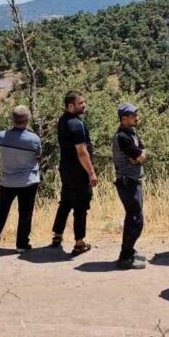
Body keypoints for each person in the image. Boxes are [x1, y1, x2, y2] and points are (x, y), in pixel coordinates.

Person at [0, 105, 42, 253]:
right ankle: (22, 244)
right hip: (27, 180)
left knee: (1, 211)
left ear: (12, 118)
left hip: (7, 180)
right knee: (25, 213)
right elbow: (38, 155)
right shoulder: (34, 139)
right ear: (28, 119)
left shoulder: (2, 136)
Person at [51, 91, 99, 256]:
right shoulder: (76, 124)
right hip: (78, 172)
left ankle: (57, 236)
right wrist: (91, 172)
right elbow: (82, 151)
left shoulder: (63, 120)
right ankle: (79, 243)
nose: (84, 105)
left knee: (65, 201)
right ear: (70, 105)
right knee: (80, 206)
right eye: (80, 103)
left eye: (84, 102)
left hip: (66, 169)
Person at [113, 102, 147, 269]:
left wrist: (138, 156)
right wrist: (138, 156)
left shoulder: (131, 132)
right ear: (124, 118)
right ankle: (125, 257)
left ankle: (129, 251)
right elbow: (138, 156)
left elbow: (142, 152)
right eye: (133, 116)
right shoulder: (123, 136)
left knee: (135, 217)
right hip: (128, 182)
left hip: (133, 181)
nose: (137, 118)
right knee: (135, 219)